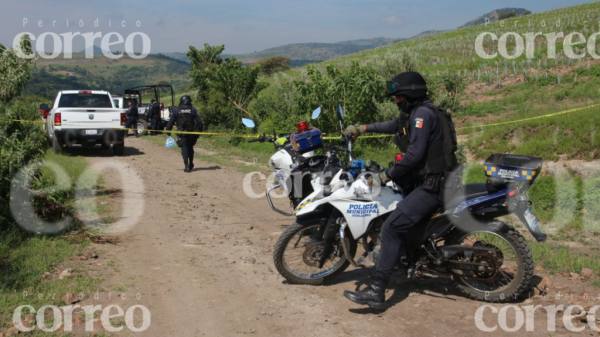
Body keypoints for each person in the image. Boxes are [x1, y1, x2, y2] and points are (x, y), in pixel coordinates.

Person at [342, 71, 458, 308]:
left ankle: (376, 291)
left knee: (391, 228)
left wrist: (386, 175)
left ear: (409, 95)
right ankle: (406, 260)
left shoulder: (423, 115)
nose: (395, 101)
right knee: (401, 217)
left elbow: (414, 154)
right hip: (433, 181)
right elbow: (394, 125)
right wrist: (362, 128)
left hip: (433, 186)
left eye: (398, 97)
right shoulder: (416, 113)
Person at [165, 95, 203, 172]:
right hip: (191, 133)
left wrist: (168, 131)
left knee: (184, 147)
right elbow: (199, 122)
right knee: (190, 147)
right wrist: (199, 130)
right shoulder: (193, 109)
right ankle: (191, 163)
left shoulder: (176, 110)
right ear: (188, 101)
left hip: (181, 133)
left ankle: (186, 166)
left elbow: (170, 122)